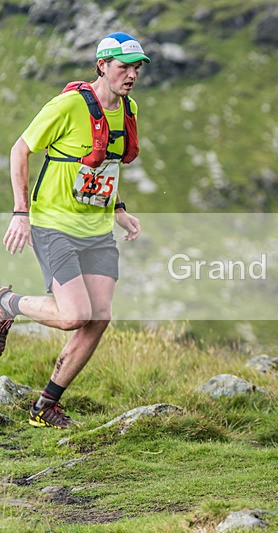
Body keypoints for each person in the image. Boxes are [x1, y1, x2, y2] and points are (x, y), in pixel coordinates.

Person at [0, 32, 148, 429]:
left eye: (137, 68)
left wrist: (119, 209)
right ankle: (5, 304)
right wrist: (20, 211)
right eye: (123, 67)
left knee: (99, 318)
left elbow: (108, 163)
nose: (131, 75)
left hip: (97, 229)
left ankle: (45, 406)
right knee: (74, 316)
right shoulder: (68, 105)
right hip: (54, 224)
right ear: (102, 66)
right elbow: (20, 149)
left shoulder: (128, 108)